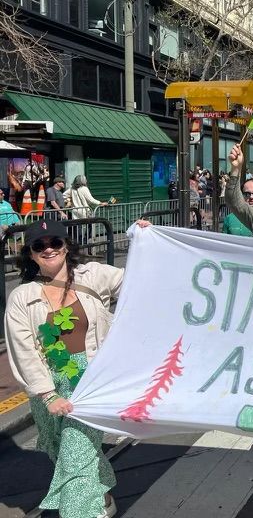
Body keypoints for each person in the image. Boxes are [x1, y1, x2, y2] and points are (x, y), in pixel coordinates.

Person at [3, 219, 147, 517]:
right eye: (39, 246)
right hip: (49, 388)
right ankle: (103, 495)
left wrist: (142, 240)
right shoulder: (22, 297)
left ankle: (80, 510)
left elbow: (142, 279)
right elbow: (24, 352)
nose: (48, 249)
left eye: (55, 242)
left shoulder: (94, 275)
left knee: (76, 457)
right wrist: (47, 396)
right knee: (64, 453)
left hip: (91, 384)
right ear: (30, 254)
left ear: (66, 246)